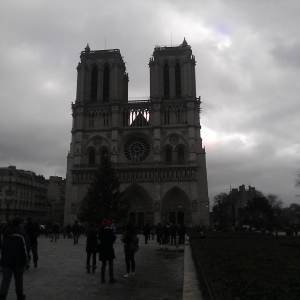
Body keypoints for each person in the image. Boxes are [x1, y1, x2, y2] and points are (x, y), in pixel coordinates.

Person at [0, 218, 30, 300]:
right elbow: (26, 249)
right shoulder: (22, 234)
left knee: (5, 280)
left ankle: (2, 296)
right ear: (20, 224)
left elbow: (2, 248)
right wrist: (27, 261)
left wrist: (3, 258)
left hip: (6, 260)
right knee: (19, 279)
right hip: (18, 260)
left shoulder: (6, 233)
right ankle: (19, 295)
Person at [98, 218, 117, 283]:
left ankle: (102, 278)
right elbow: (114, 237)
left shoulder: (101, 231)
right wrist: (111, 242)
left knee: (103, 264)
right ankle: (111, 278)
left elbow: (99, 238)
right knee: (110, 263)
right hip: (109, 248)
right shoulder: (110, 231)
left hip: (103, 248)